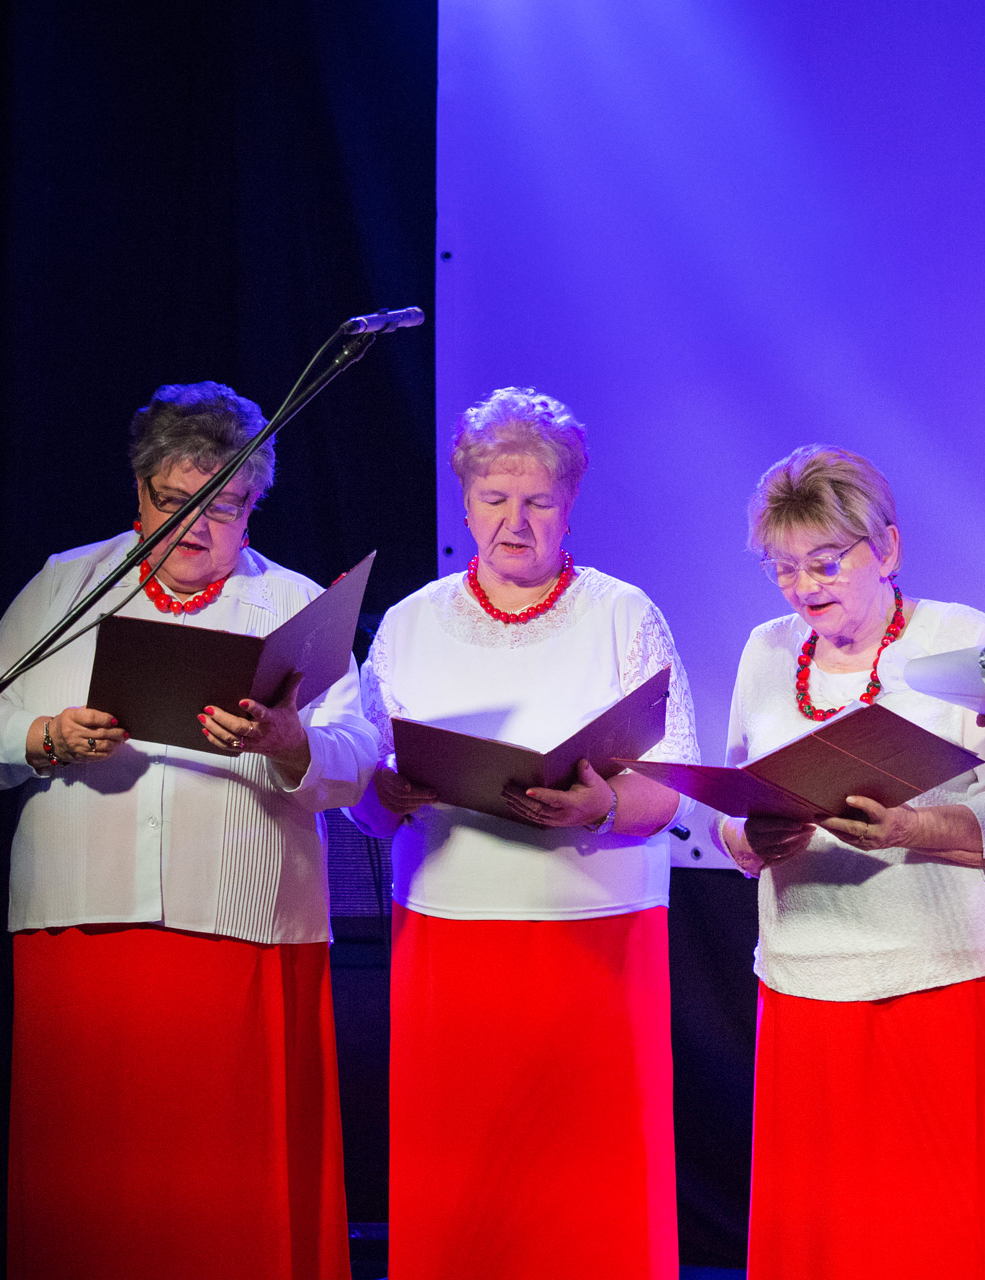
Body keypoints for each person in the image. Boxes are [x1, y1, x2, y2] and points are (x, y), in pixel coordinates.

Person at [0, 382, 379, 1280]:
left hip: (242, 932)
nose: (194, 527)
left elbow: (360, 760)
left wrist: (288, 738)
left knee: (227, 1192)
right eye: (172, 501)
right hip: (81, 925)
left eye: (223, 507)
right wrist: (43, 735)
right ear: (138, 489)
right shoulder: (68, 583)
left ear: (253, 506)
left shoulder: (295, 605)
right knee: (96, 1191)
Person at [347, 387, 699, 1280]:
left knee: (591, 1192)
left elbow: (674, 785)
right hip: (448, 938)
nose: (515, 521)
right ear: (464, 504)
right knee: (464, 1189)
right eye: (494, 498)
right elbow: (363, 801)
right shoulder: (409, 622)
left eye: (538, 500)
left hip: (597, 939)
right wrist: (389, 788)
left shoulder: (625, 614)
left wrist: (601, 805)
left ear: (569, 504)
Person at [714, 445, 985, 1280]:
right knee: (819, 1242)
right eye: (783, 567)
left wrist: (912, 826)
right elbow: (726, 803)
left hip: (942, 983)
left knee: (933, 1239)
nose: (803, 587)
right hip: (803, 983)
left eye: (826, 561)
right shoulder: (764, 650)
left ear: (888, 548)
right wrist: (749, 840)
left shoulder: (971, 639)